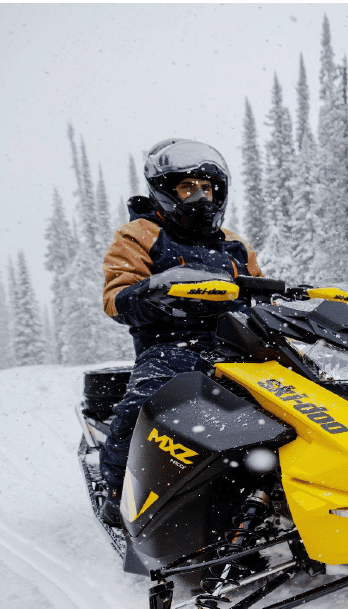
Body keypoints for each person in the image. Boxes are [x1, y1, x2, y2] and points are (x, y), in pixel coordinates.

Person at [97, 138, 263, 527]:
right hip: (170, 344)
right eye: (188, 188)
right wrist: (154, 291)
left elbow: (258, 287)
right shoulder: (140, 234)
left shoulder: (235, 244)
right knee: (143, 406)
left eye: (207, 188)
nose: (200, 197)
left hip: (237, 343)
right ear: (166, 191)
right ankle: (119, 489)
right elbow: (115, 295)